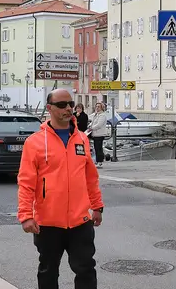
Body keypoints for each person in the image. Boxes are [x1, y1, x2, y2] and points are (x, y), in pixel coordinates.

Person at [17, 89, 104, 289]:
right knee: (48, 270)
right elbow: (26, 182)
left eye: (71, 104)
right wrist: (26, 215)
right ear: (49, 108)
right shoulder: (35, 142)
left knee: (86, 269)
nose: (68, 109)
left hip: (80, 221)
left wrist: (97, 206)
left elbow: (91, 177)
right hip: (48, 222)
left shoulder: (82, 139)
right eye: (62, 105)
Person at [87, 103, 109, 168]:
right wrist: (89, 126)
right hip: (95, 134)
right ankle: (97, 160)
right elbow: (93, 122)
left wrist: (92, 128)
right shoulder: (96, 115)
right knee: (96, 148)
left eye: (98, 107)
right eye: (96, 106)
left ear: (102, 108)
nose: (97, 108)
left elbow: (99, 125)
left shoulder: (102, 115)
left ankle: (100, 161)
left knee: (99, 148)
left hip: (99, 134)